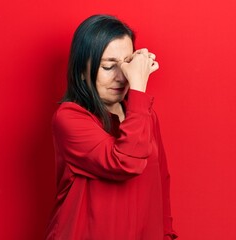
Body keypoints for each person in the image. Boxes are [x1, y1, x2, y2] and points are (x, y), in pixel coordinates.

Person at [45, 14, 177, 240]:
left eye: (126, 65)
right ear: (82, 72)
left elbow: (160, 182)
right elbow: (125, 162)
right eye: (108, 67)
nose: (121, 77)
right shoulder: (69, 118)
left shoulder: (144, 115)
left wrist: (167, 235)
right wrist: (138, 89)